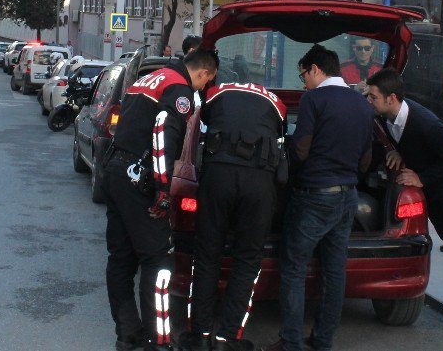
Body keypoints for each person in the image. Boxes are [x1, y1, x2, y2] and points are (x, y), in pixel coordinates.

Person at [102, 49, 219, 351]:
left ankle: (127, 334)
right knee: (158, 261)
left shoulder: (148, 79)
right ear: (204, 73)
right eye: (206, 83)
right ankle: (159, 340)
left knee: (121, 258)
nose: (203, 90)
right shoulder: (179, 89)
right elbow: (162, 136)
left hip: (115, 170)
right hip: (138, 176)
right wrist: (163, 190)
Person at [261, 45, 373, 351]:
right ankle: (323, 340)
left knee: (294, 268)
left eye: (303, 75)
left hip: (314, 196)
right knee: (335, 271)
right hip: (348, 196)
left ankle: (291, 341)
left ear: (316, 70)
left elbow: (301, 149)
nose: (303, 83)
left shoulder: (315, 99)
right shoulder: (362, 104)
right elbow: (366, 159)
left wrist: (288, 172)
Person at [366, 68, 443, 324]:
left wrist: (421, 178)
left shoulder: (425, 122)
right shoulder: (385, 117)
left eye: (373, 97)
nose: (368, 101)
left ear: (391, 98)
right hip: (430, 186)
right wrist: (398, 152)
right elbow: (407, 143)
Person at [183, 82, 287, 351]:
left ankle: (200, 336)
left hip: (219, 176)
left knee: (206, 255)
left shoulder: (216, 92)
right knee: (248, 259)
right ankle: (227, 339)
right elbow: (282, 137)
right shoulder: (277, 102)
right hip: (259, 181)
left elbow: (201, 123)